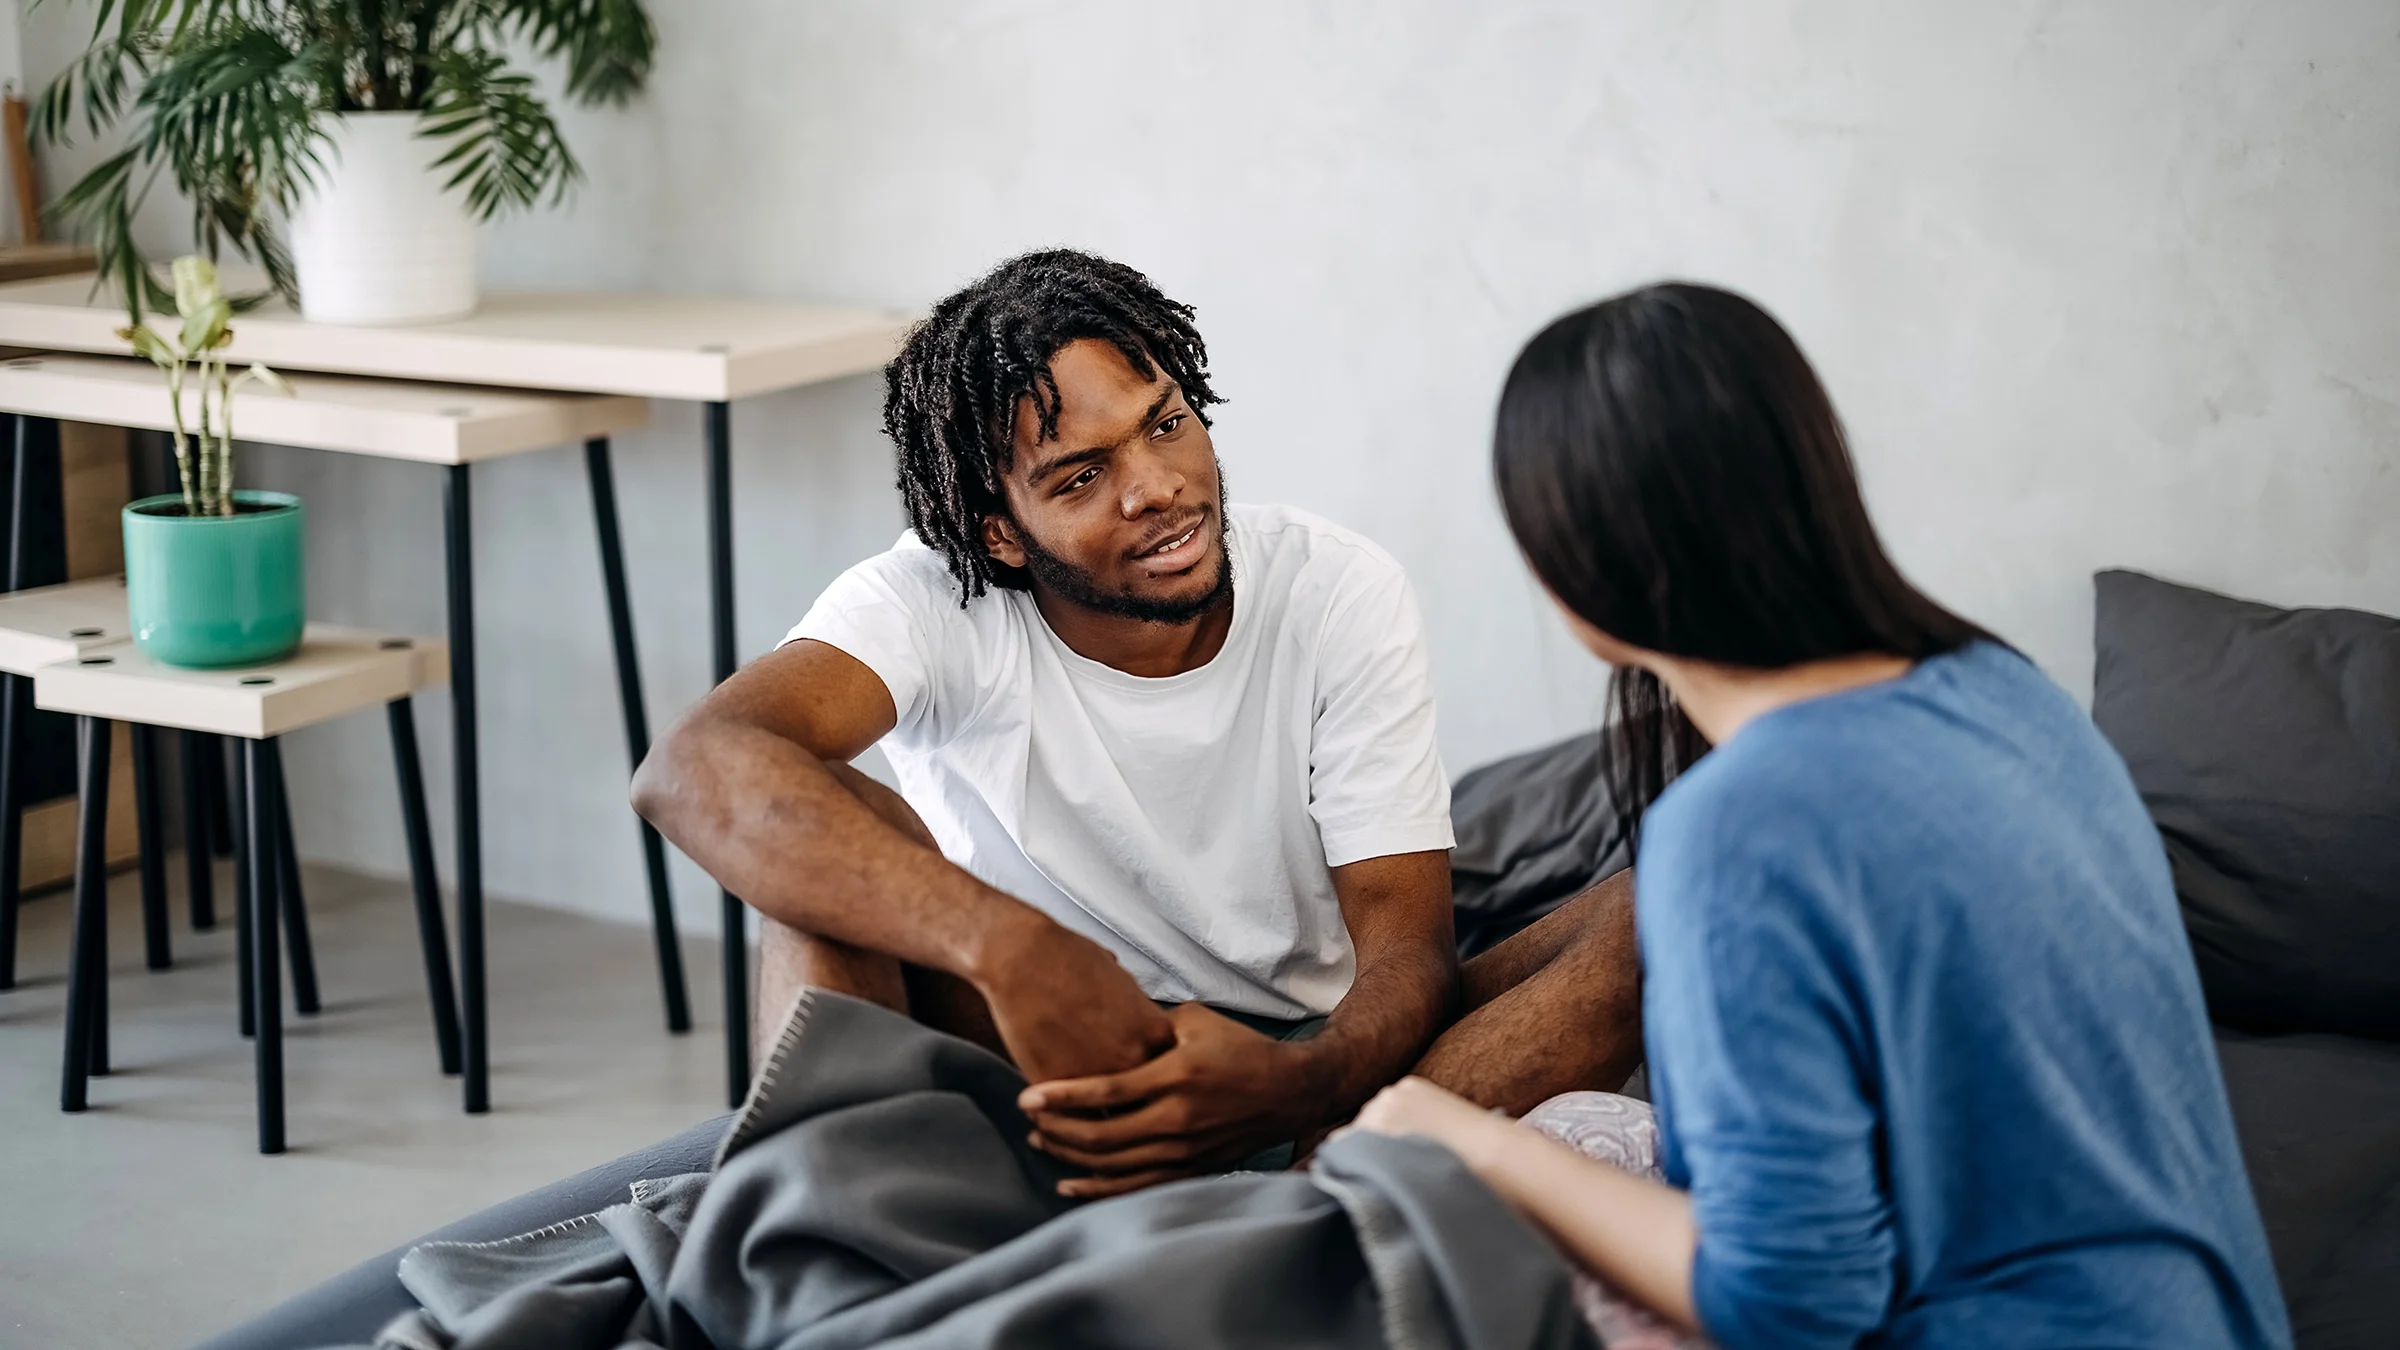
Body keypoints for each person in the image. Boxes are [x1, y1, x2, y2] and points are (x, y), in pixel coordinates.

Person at [1351, 283, 2291, 1349]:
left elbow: (1793, 1303)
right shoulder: (2006, 690)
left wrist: (1470, 1142)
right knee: (1581, 1134)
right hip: (2210, 1319)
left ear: (1569, 573)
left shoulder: (1734, 832)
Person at [635, 249, 1643, 1198]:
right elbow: (692, 766)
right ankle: (834, 1260)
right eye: (1081, 477)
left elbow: (1407, 949)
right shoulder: (925, 601)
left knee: (1656, 907)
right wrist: (1010, 948)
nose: (1158, 488)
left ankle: (1299, 1221)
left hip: (1322, 1063)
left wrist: (1302, 1085)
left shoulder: (1336, 588)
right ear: (1000, 533)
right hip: (1062, 1053)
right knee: (818, 854)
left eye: (1165, 425)